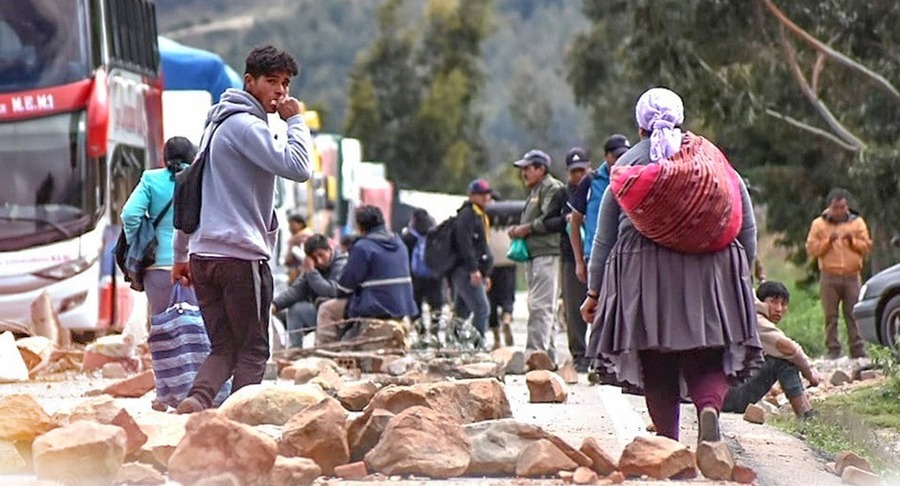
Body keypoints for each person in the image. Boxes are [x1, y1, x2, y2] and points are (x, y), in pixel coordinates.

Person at [580, 88, 762, 456]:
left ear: (639, 125)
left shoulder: (626, 164)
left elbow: (603, 239)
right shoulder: (711, 158)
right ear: (680, 118)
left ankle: (667, 444)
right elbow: (747, 224)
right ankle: (708, 408)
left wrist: (594, 292)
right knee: (706, 351)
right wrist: (741, 278)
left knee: (656, 359)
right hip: (712, 268)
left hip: (644, 275)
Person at [171, 45, 312, 413]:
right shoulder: (246, 126)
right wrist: (296, 121)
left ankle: (197, 400)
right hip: (239, 256)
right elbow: (299, 167)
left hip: (204, 255)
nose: (280, 92)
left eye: (285, 84)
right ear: (249, 81)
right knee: (253, 349)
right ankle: (239, 421)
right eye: (271, 82)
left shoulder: (215, 124)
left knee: (224, 347)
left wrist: (181, 254)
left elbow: (191, 192)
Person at [316, 205, 418, 345]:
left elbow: (346, 286)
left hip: (375, 307)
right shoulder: (399, 243)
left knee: (326, 309)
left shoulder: (363, 247)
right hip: (402, 306)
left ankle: (325, 353)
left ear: (360, 226)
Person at [121, 136, 198, 316]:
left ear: (165, 158)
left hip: (157, 265)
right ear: (191, 157)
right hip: (194, 263)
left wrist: (140, 242)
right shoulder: (199, 179)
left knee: (162, 325)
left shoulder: (151, 179)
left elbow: (130, 214)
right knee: (197, 325)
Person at [723, 281, 821, 419]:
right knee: (783, 360)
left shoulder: (747, 314)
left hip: (724, 392)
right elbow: (789, 349)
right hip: (728, 396)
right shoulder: (756, 319)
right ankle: (805, 415)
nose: (779, 309)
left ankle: (806, 413)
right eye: (774, 302)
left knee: (783, 358)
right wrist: (810, 373)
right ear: (761, 302)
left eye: (783, 304)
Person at [508, 149, 565, 365]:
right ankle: (547, 356)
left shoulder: (551, 188)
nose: (524, 173)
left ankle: (535, 353)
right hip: (534, 254)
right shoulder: (534, 191)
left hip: (547, 253)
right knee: (540, 305)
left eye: (527, 168)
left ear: (541, 169)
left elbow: (550, 218)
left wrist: (526, 228)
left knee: (541, 306)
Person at [805, 188, 872, 359]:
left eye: (843, 207)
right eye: (836, 208)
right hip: (829, 275)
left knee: (853, 313)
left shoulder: (857, 223)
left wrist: (853, 241)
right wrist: (828, 241)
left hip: (852, 275)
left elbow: (866, 247)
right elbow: (812, 250)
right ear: (829, 207)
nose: (840, 211)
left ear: (847, 207)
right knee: (830, 315)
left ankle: (857, 350)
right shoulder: (819, 225)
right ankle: (833, 351)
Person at [568, 135, 631, 283]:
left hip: (626, 254)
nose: (621, 160)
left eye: (625, 155)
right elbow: (574, 221)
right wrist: (579, 261)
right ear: (606, 156)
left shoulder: (634, 177)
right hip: (597, 256)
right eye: (616, 156)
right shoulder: (591, 181)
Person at [271, 234, 348, 347]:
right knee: (296, 309)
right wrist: (275, 305)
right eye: (314, 258)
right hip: (320, 314)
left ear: (329, 250)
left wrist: (312, 272)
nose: (319, 261)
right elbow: (296, 291)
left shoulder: (341, 263)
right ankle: (294, 349)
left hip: (340, 317)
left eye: (321, 255)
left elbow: (331, 291)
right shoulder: (312, 269)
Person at [557, 148, 592, 372]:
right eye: (574, 172)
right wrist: (566, 219)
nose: (578, 176)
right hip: (571, 256)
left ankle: (601, 354)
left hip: (597, 254)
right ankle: (579, 354)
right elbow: (552, 219)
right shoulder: (563, 194)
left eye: (582, 170)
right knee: (574, 307)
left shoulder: (597, 186)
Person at [448, 179, 494, 343]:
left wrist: (486, 272)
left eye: (488, 194)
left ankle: (453, 344)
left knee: (462, 311)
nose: (486, 197)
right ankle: (478, 345)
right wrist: (473, 269)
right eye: (481, 194)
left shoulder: (479, 215)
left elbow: (482, 246)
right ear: (471, 196)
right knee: (482, 309)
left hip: (474, 270)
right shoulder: (468, 215)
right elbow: (464, 244)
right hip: (466, 270)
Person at [400, 208, 445, 334]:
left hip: (414, 277)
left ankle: (420, 332)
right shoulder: (436, 235)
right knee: (436, 305)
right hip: (434, 275)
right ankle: (435, 332)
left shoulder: (408, 237)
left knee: (415, 305)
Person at [283, 214, 313, 284]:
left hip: (301, 272)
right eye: (289, 225)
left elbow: (304, 256)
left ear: (301, 224)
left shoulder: (304, 236)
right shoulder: (295, 237)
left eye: (292, 225)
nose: (290, 228)